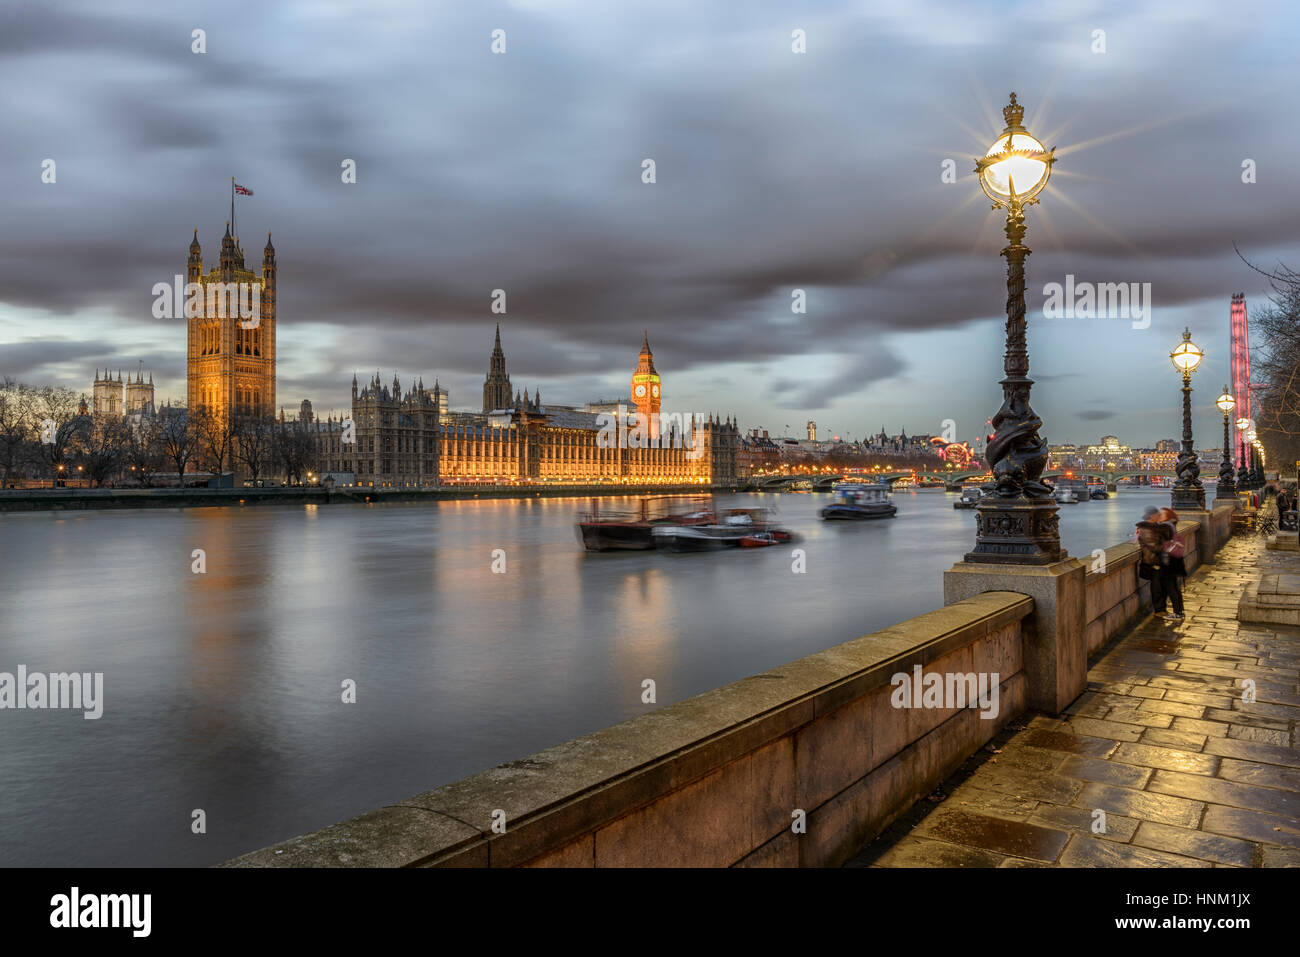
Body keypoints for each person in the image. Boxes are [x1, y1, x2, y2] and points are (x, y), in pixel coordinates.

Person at [1135, 505, 1172, 616]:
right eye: (1157, 514)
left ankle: (1162, 608)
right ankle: (1159, 610)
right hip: (1153, 562)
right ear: (1151, 516)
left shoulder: (1156, 527)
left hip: (1160, 560)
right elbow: (1153, 546)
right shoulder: (1146, 530)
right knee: (1157, 587)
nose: (1160, 516)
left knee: (1163, 585)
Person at [1154, 507, 1187, 621]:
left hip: (1168, 562)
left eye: (1162, 515)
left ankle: (1177, 613)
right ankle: (1180, 611)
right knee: (1175, 587)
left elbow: (1160, 543)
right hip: (1176, 560)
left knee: (1171, 587)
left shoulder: (1165, 527)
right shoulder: (1172, 526)